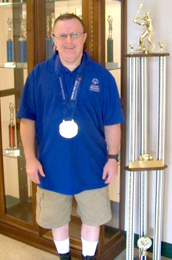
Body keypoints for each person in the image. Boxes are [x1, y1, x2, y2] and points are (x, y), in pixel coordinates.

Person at [17, 13, 125, 260]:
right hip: (50, 165)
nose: (69, 40)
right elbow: (27, 120)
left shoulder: (102, 77)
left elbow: (112, 122)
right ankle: (64, 257)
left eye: (74, 34)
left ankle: (88, 258)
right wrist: (30, 160)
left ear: (84, 38)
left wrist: (112, 158)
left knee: (93, 217)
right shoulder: (38, 75)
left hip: (93, 164)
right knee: (56, 218)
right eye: (62, 35)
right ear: (53, 39)